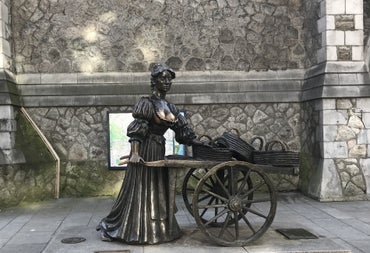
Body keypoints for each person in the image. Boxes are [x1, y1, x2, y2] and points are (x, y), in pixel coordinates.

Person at [97, 63, 199, 244]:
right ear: (154, 81)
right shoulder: (146, 103)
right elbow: (138, 129)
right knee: (143, 188)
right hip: (144, 151)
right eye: (163, 78)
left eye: (169, 78)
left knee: (158, 188)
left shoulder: (170, 107)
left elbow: (183, 132)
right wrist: (135, 152)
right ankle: (133, 230)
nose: (167, 82)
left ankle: (161, 230)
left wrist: (196, 141)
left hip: (159, 150)